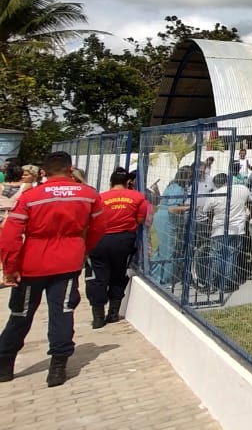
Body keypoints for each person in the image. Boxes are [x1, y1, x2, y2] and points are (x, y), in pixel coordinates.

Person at [0, 151, 108, 386]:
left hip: (32, 264)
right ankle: (57, 368)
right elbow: (99, 227)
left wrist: (10, 267)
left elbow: (10, 235)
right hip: (68, 263)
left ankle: (5, 365)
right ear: (71, 170)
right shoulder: (89, 195)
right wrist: (82, 248)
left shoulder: (31, 196)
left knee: (20, 314)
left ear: (44, 173)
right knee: (63, 313)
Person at [86, 168, 150, 327]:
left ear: (110, 182)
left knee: (98, 277)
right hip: (123, 240)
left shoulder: (99, 198)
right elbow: (141, 220)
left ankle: (98, 316)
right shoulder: (138, 197)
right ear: (128, 182)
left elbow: (90, 220)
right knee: (119, 274)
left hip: (99, 240)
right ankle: (113, 313)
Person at [203, 175, 249, 293]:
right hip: (237, 229)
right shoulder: (242, 189)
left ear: (216, 184)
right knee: (231, 256)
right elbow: (251, 202)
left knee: (216, 256)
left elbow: (205, 210)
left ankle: (211, 284)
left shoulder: (214, 195)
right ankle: (227, 283)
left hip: (219, 229)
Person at [152, 165, 194, 284]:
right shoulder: (178, 189)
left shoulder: (172, 185)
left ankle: (153, 273)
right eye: (189, 177)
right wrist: (189, 207)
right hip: (167, 220)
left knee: (161, 250)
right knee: (168, 252)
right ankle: (164, 280)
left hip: (163, 217)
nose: (190, 179)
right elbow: (172, 209)